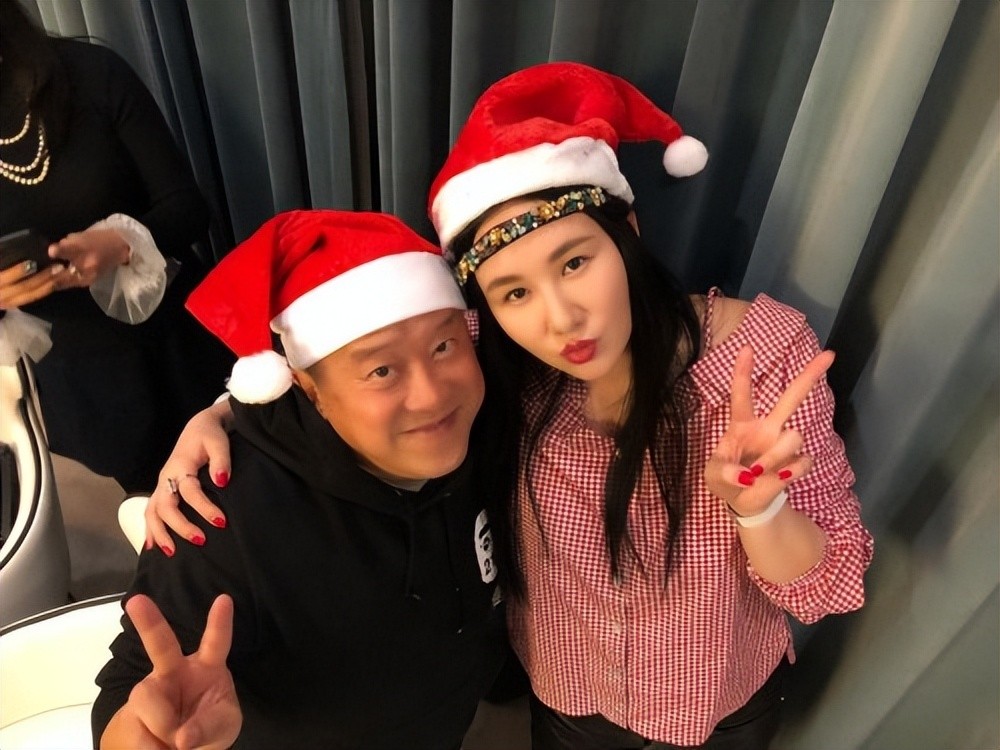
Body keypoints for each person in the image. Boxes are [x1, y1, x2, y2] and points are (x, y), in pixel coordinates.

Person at [147, 63, 874, 748]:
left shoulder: (762, 358)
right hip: (569, 696)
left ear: (626, 233)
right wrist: (216, 417)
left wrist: (760, 511)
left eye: (574, 262)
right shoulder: (493, 357)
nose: (560, 320)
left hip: (717, 708)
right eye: (514, 292)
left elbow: (828, 589)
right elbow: (360, 371)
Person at [92, 210, 506, 749]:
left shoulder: (483, 426)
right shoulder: (224, 517)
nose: (432, 395)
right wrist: (150, 735)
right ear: (308, 389)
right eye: (382, 371)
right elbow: (130, 686)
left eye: (443, 346)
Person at [0, 2, 231, 493]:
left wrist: (122, 242)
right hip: (84, 383)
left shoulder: (89, 74)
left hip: (181, 340)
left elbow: (189, 207)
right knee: (159, 507)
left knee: (250, 485)